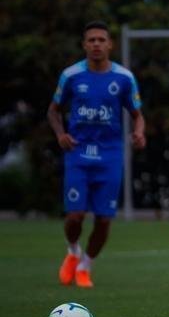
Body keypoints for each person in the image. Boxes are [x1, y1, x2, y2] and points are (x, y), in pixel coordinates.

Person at [47, 21, 146, 288]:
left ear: (110, 44)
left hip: (110, 156)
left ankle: (85, 266)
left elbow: (137, 115)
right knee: (75, 216)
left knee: (103, 220)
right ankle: (73, 251)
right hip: (77, 154)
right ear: (84, 45)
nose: (96, 44)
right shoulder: (71, 75)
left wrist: (139, 133)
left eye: (101, 39)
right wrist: (60, 134)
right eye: (91, 40)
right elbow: (53, 110)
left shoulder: (123, 77)